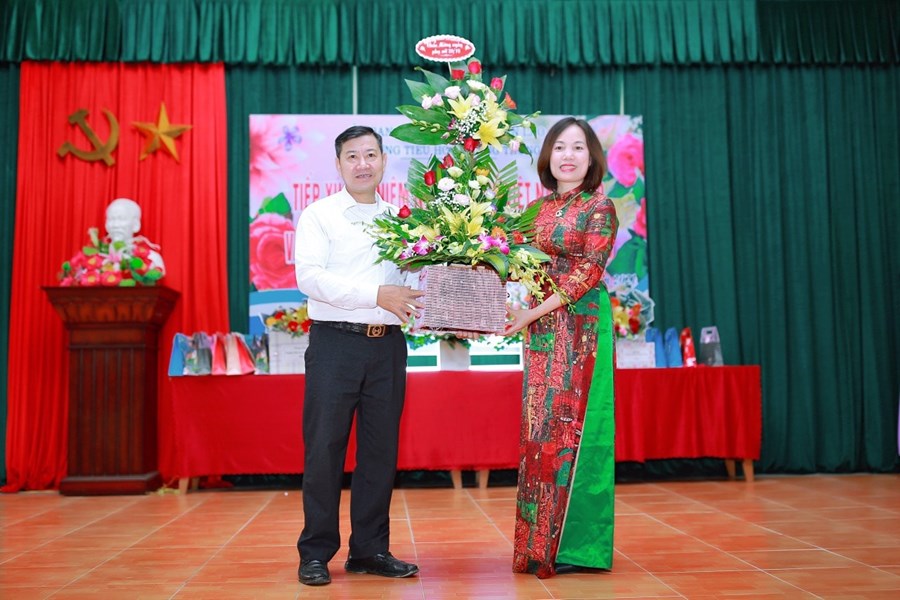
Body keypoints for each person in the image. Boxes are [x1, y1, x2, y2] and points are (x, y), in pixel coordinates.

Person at [292, 125, 424, 587]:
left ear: (384, 160)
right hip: (335, 343)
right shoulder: (320, 215)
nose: (362, 164)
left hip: (387, 346)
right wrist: (375, 293)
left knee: (379, 451)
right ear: (339, 164)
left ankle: (369, 550)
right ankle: (315, 552)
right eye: (352, 156)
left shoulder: (404, 220)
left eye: (371, 154)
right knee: (324, 449)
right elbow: (309, 277)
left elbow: (414, 281)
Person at [504, 117, 619, 579]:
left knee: (579, 431)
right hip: (542, 329)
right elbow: (512, 261)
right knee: (541, 431)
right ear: (547, 156)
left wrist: (531, 311)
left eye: (577, 147)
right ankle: (537, 547)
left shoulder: (599, 206)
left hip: (583, 324)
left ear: (591, 158)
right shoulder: (535, 209)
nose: (567, 155)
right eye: (559, 147)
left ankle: (579, 547)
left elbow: (588, 271)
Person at [104, 197, 166, 274]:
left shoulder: (152, 259)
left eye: (121, 219)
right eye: (111, 219)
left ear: (136, 225)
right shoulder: (95, 258)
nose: (115, 225)